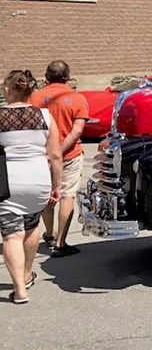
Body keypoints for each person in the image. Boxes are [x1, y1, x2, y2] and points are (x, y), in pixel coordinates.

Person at [1, 70, 63, 304]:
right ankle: (26, 274)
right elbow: (55, 155)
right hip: (38, 181)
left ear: (7, 89)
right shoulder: (45, 116)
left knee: (11, 236)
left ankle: (19, 290)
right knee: (30, 226)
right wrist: (56, 185)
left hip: (8, 182)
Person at [30, 60, 89, 257]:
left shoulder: (34, 98)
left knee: (47, 196)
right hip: (69, 155)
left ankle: (49, 233)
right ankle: (60, 242)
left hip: (42, 156)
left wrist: (48, 154)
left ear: (46, 76)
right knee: (67, 195)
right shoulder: (77, 99)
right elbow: (76, 131)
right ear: (68, 76)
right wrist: (60, 151)